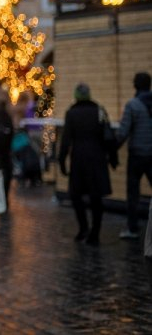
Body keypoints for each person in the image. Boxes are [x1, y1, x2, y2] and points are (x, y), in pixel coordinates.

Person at [58, 83, 118, 246]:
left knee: (76, 195)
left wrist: (62, 161)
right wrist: (113, 159)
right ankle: (95, 233)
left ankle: (83, 227)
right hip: (97, 159)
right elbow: (109, 136)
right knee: (96, 198)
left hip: (79, 160)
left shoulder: (71, 113)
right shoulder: (99, 111)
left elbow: (66, 140)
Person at [116, 72, 152, 239]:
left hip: (137, 155)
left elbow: (123, 132)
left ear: (135, 86)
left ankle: (132, 228)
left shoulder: (133, 105)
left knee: (133, 194)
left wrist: (112, 149)